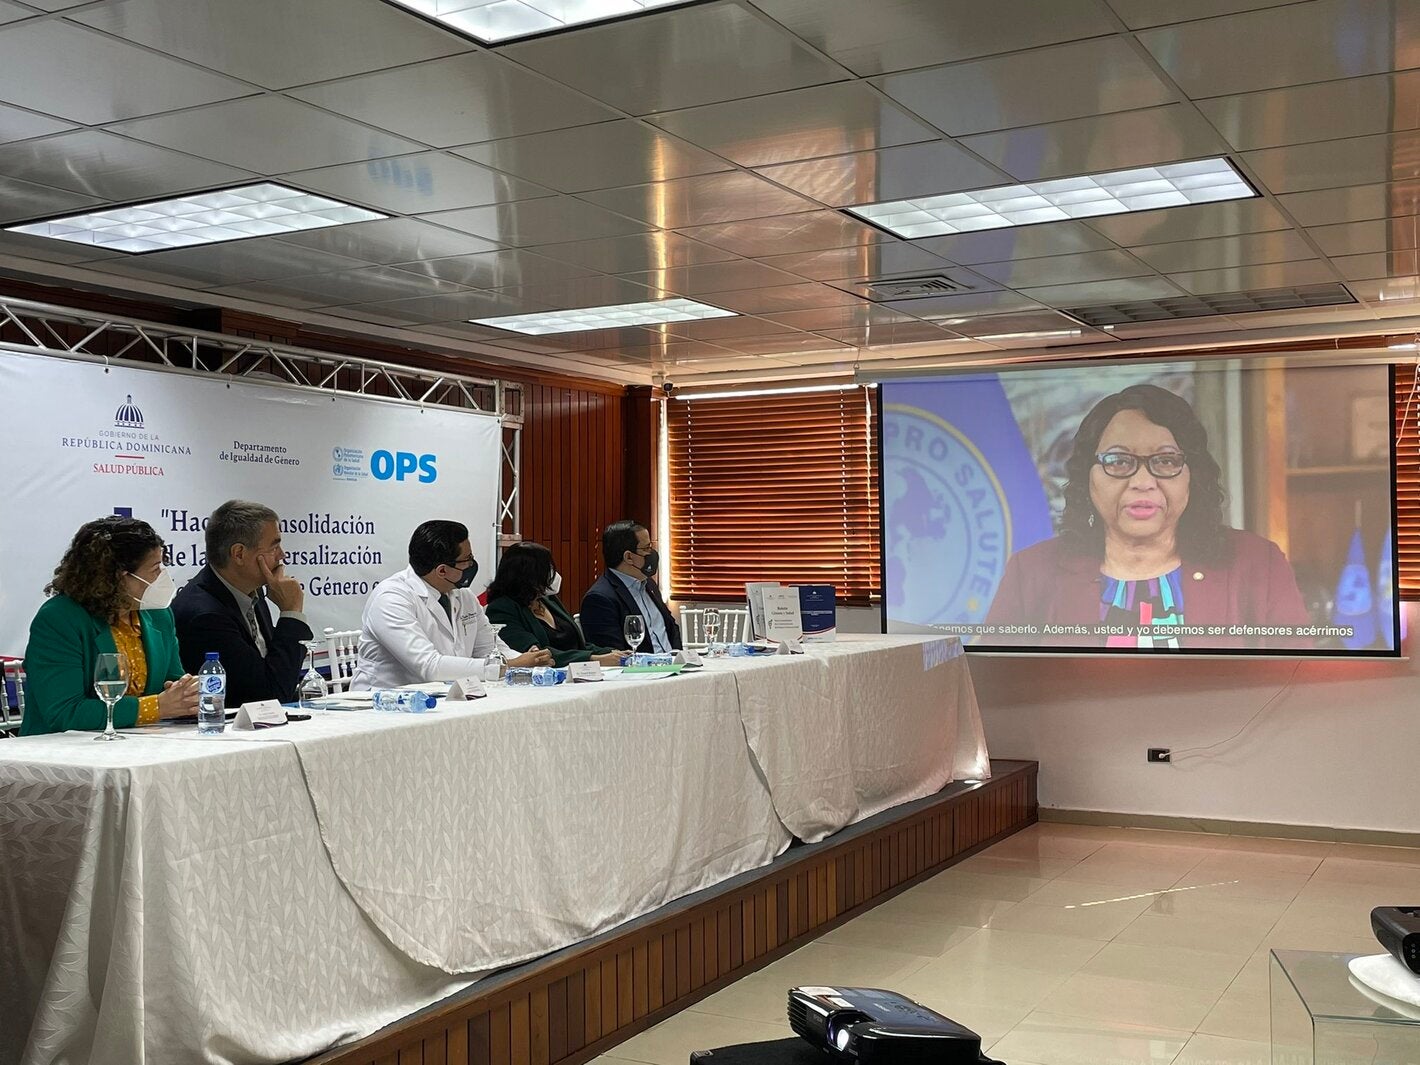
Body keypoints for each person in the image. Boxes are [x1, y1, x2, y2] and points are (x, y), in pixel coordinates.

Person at [985, 384, 1310, 650]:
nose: (1142, 482)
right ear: (1088, 476)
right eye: (1119, 460)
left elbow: (1295, 690)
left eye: (1166, 461)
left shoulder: (1259, 565)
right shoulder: (1029, 573)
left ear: (1192, 476)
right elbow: (994, 693)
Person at [21, 516, 200, 735]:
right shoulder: (59, 619)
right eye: (155, 569)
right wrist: (155, 707)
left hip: (141, 744)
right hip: (61, 753)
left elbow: (171, 681)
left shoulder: (159, 614)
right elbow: (64, 712)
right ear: (120, 577)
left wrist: (189, 696)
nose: (163, 576)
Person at [351, 519, 551, 690]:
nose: (472, 564)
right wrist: (508, 666)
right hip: (383, 703)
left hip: (450, 696)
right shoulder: (391, 599)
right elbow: (429, 666)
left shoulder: (463, 596)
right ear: (442, 571)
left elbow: (490, 649)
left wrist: (531, 660)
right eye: (467, 559)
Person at [171, 500, 312, 707]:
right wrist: (291, 612)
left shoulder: (251, 592)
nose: (282, 555)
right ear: (239, 554)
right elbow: (268, 695)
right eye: (275, 546)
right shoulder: (204, 615)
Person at [485, 542, 622, 668]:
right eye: (548, 569)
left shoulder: (548, 600)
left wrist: (613, 653)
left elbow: (577, 645)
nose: (553, 574)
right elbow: (537, 655)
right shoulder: (501, 609)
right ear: (529, 574)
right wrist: (594, 659)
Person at [579, 520, 681, 652]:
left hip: (673, 667)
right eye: (647, 548)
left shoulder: (649, 584)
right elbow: (613, 654)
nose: (652, 553)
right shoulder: (599, 599)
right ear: (628, 557)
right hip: (642, 670)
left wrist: (679, 660)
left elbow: (671, 627)